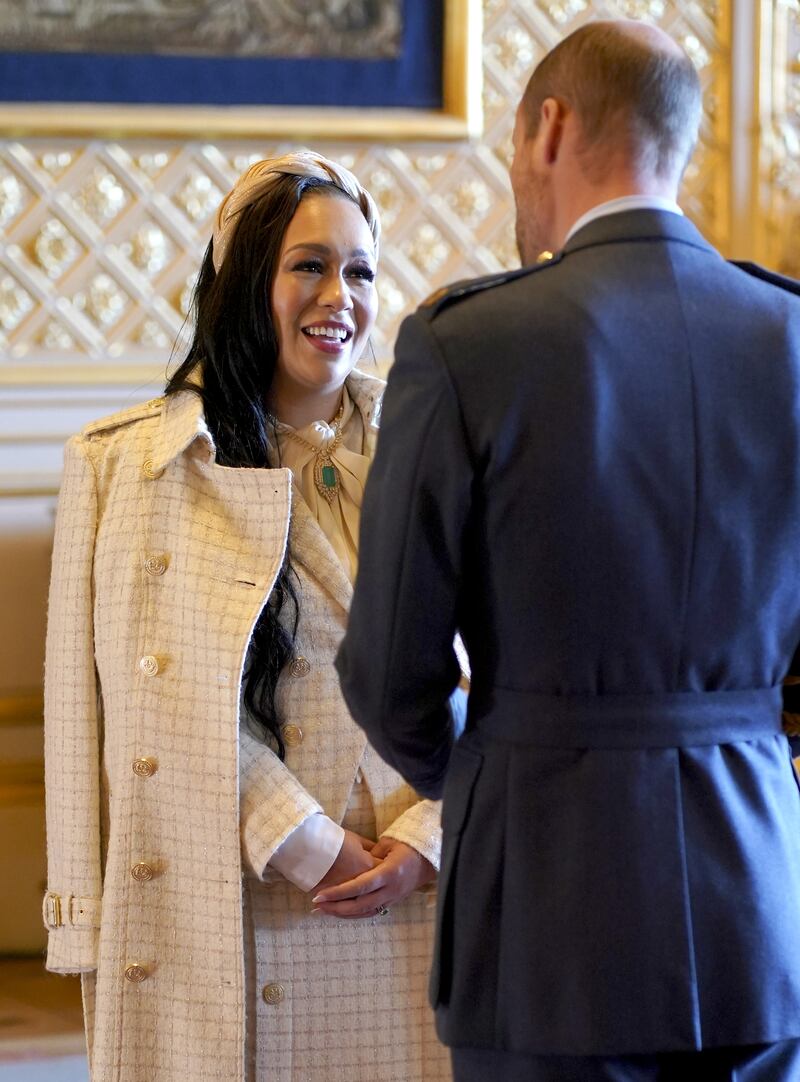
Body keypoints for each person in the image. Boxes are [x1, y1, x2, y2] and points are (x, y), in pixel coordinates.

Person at [333, 20, 800, 1082]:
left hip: (543, 913)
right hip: (760, 912)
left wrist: (488, 774)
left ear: (548, 126)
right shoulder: (788, 339)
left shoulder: (468, 342)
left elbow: (386, 664)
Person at [42, 151, 451, 1082]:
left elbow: (504, 672)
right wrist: (308, 844)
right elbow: (150, 703)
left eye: (359, 269)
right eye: (307, 265)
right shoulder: (133, 465)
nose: (337, 294)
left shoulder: (437, 445)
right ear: (239, 283)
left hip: (419, 888)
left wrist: (429, 841)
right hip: (242, 895)